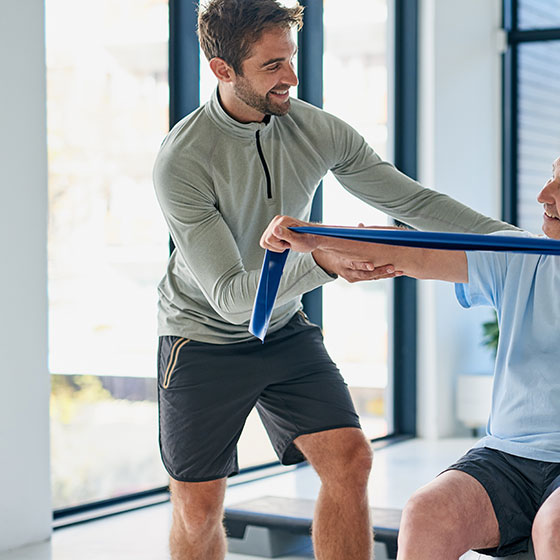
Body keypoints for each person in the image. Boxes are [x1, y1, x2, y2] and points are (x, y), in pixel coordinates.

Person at [151, 1, 517, 559]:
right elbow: (228, 297)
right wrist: (324, 261)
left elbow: (411, 201)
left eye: (290, 58)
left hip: (281, 330)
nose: (291, 78)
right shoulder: (183, 159)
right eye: (272, 65)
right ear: (223, 70)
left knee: (350, 460)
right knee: (199, 511)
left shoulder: (310, 127)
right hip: (202, 340)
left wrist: (517, 243)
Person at [261, 126, 560, 560]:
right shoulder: (518, 256)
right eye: (552, 176)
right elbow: (406, 251)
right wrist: (308, 236)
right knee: (424, 514)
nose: (543, 195)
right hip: (509, 454)